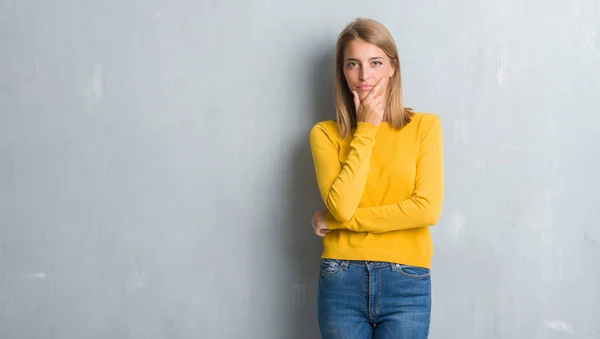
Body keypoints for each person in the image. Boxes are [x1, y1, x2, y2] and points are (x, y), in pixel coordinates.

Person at [309, 18, 444, 339]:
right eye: (353, 64)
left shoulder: (425, 127)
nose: (364, 75)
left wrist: (337, 222)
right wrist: (366, 129)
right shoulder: (325, 134)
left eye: (375, 62)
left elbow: (426, 210)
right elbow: (342, 207)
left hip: (406, 281)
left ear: (392, 68)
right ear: (342, 72)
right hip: (342, 277)